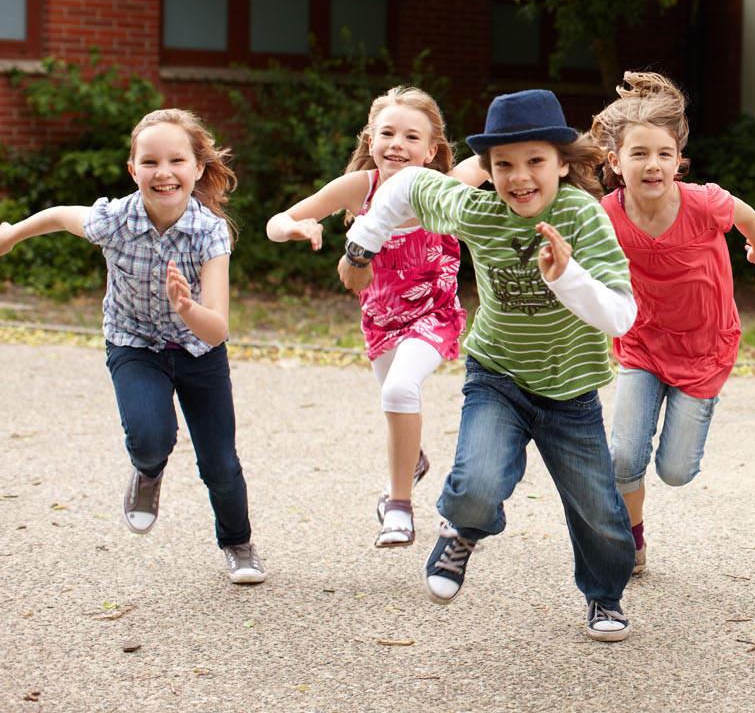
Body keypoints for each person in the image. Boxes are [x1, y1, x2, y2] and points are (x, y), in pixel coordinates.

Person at [338, 88, 638, 642]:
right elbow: (406, 185)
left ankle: (605, 598)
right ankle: (461, 531)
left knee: (599, 512)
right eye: (504, 165)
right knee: (476, 483)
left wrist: (566, 278)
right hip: (497, 376)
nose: (519, 177)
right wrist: (362, 244)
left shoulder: (583, 217)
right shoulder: (476, 208)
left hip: (570, 392)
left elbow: (621, 316)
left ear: (562, 164)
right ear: (488, 169)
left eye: (535, 162)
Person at [0, 108, 266, 584]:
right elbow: (62, 216)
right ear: (133, 170)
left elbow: (218, 329)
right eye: (150, 162)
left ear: (198, 168)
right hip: (134, 344)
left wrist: (187, 308)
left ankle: (238, 544)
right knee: (150, 439)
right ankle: (147, 473)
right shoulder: (114, 220)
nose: (163, 173)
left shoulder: (210, 233)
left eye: (177, 161)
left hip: (198, 351)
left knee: (220, 464)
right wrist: (13, 235)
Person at [267, 86, 485, 550]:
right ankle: (412, 462)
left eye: (411, 137)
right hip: (381, 323)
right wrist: (295, 227)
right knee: (395, 403)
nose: (397, 145)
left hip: (434, 316)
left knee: (400, 389)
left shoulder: (442, 188)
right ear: (370, 140)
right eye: (387, 133)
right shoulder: (358, 188)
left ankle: (397, 506)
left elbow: (492, 158)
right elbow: (276, 221)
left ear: (432, 151)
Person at [589, 71, 755, 576]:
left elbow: (745, 214)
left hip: (703, 348)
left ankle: (689, 425)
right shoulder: (605, 214)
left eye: (664, 154)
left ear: (678, 159)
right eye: (639, 154)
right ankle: (632, 538)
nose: (653, 165)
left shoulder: (702, 202)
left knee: (674, 471)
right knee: (624, 456)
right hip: (642, 344)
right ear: (615, 162)